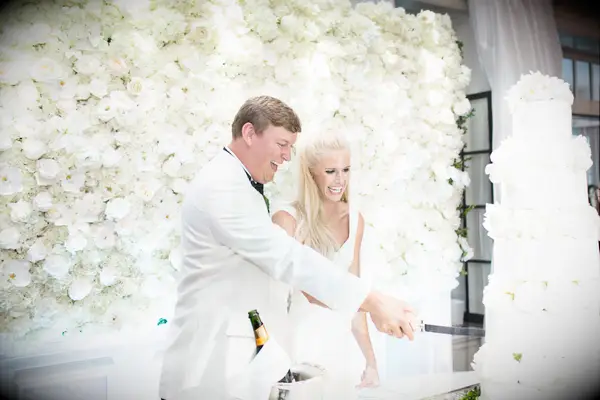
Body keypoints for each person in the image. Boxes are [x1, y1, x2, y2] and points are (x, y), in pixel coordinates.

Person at [158, 96, 417, 400]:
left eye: (291, 147)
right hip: (209, 368)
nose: (286, 156)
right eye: (282, 144)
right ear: (250, 133)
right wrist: (372, 301)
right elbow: (286, 257)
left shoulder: (238, 183)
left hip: (240, 359)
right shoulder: (222, 187)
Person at [271, 131, 385, 393]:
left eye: (346, 170)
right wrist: (377, 305)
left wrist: (370, 361)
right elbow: (307, 293)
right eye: (331, 171)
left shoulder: (355, 220)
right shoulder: (287, 219)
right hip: (298, 345)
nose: (340, 180)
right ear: (311, 174)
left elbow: (355, 299)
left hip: (341, 347)